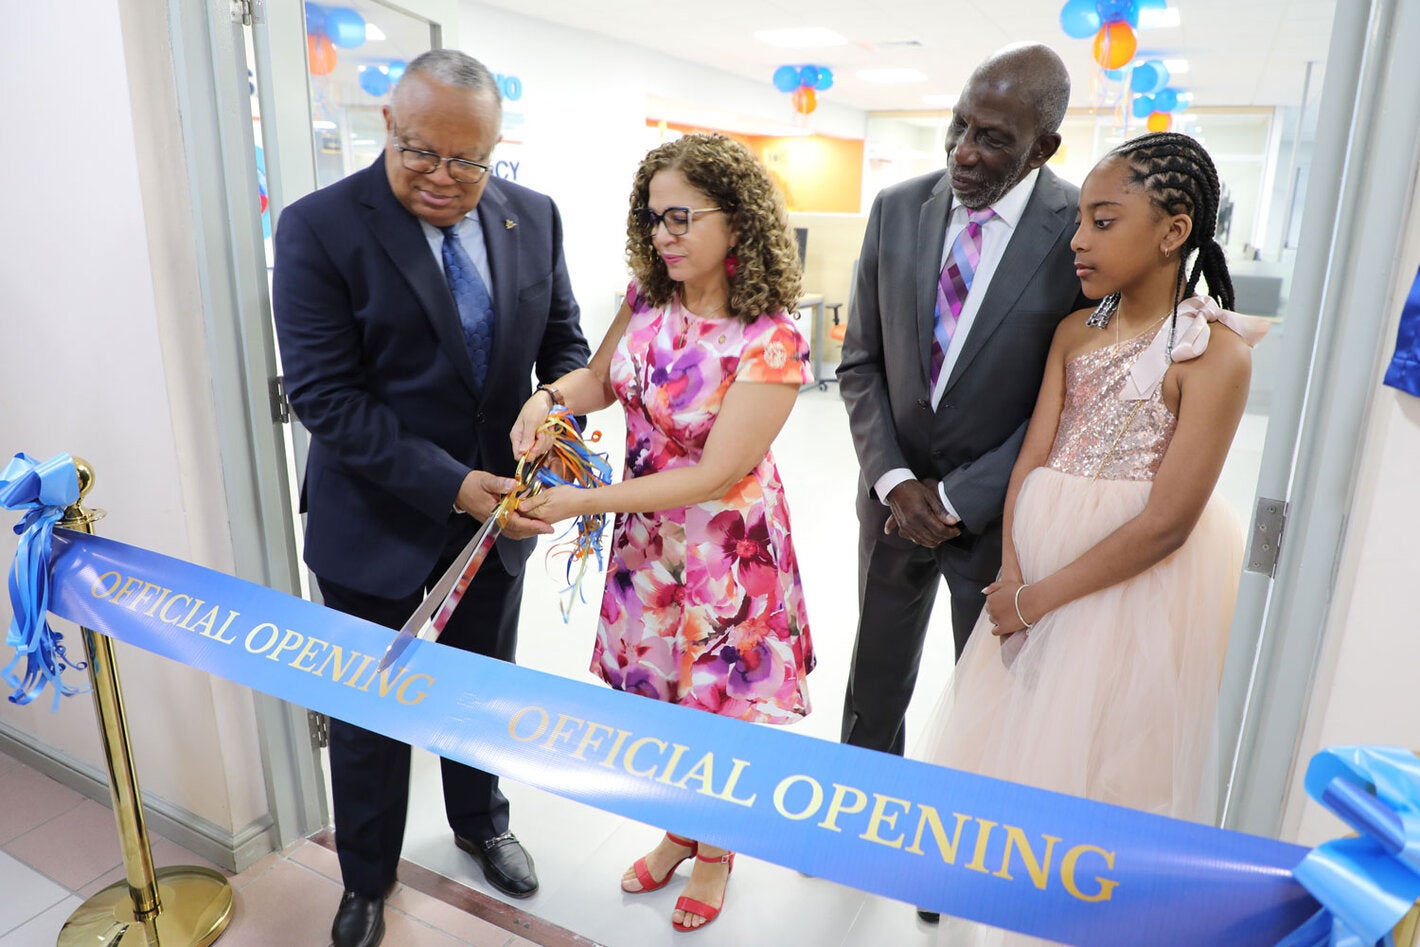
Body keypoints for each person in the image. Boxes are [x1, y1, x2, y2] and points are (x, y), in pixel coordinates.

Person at [272, 50, 590, 947]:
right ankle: (367, 876)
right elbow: (326, 397)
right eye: (422, 153)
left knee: (478, 690)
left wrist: (552, 421)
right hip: (373, 519)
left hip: (502, 519)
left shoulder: (534, 217)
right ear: (387, 126)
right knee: (370, 713)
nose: (445, 179)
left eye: (470, 161)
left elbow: (565, 348)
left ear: (497, 149)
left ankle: (481, 819)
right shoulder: (320, 228)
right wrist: (451, 484)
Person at [918, 133, 1268, 940]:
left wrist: (1035, 598)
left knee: (1112, 767)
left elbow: (1167, 522)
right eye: (1080, 219)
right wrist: (1010, 577)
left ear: (1173, 231)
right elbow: (1033, 458)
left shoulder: (1214, 354)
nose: (1078, 238)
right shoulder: (1077, 330)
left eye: (1103, 221)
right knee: (1022, 755)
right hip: (1030, 577)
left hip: (1126, 591)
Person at [511, 132, 813, 933]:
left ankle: (718, 849)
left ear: (738, 223)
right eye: (653, 218)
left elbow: (716, 474)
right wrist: (549, 399)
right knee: (662, 700)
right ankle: (685, 826)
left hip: (723, 551)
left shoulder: (771, 337)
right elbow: (598, 381)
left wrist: (582, 503)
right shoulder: (647, 301)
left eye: (681, 217)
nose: (663, 235)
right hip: (645, 543)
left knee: (716, 703)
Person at [837, 43, 1090, 771]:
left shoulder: (1079, 231)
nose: (964, 152)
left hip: (994, 517)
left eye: (994, 138)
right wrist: (894, 481)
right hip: (889, 502)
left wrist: (954, 496)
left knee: (986, 694)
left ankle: (950, 865)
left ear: (1043, 147)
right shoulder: (896, 209)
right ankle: (855, 809)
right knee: (875, 674)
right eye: (959, 126)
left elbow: (1068, 402)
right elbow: (860, 362)